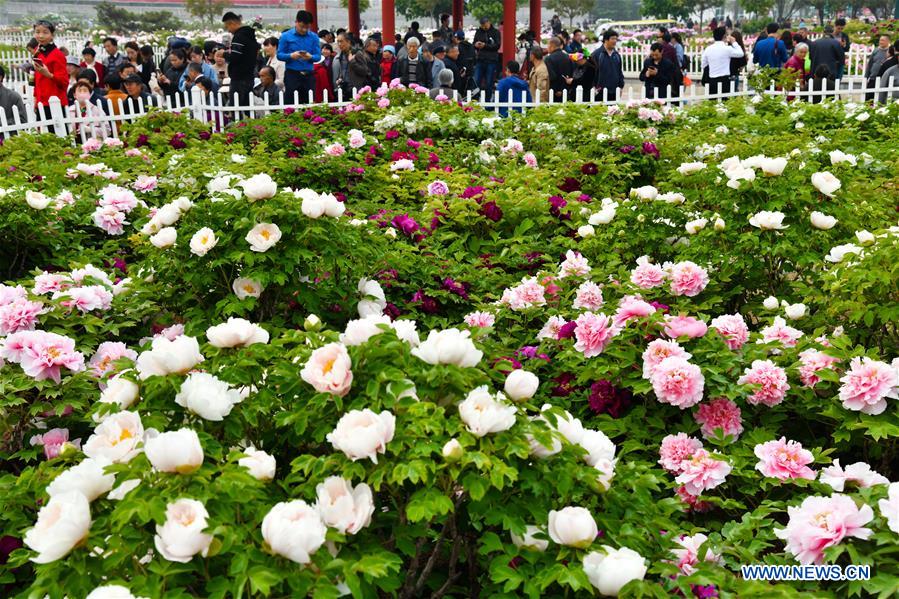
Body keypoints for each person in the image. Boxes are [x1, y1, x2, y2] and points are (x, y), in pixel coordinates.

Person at [278, 10, 321, 103]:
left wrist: (310, 57)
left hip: (309, 76)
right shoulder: (285, 36)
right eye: (302, 27)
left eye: (307, 27)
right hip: (292, 75)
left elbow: (318, 57)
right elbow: (279, 55)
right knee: (291, 103)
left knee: (309, 104)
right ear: (296, 22)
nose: (304, 30)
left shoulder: (314, 37)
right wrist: (290, 56)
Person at [222, 11, 260, 112]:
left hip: (239, 78)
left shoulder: (239, 36)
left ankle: (237, 126)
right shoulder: (250, 36)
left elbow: (235, 56)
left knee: (236, 109)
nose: (228, 30)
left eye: (227, 26)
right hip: (249, 77)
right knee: (247, 108)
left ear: (232, 23)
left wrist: (223, 54)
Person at [32, 19, 69, 118]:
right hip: (41, 100)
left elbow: (64, 82)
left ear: (52, 35)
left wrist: (49, 75)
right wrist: (36, 98)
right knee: (42, 132)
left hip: (55, 101)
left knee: (56, 132)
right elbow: (37, 78)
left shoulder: (58, 55)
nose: (41, 36)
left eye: (45, 32)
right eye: (37, 32)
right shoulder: (37, 51)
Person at [701, 27, 744, 96]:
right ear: (724, 36)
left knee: (713, 103)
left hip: (712, 80)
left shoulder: (708, 49)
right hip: (725, 80)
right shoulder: (727, 49)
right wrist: (734, 42)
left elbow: (703, 64)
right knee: (725, 103)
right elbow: (740, 53)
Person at [473, 17, 501, 100]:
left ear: (489, 22)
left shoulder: (495, 32)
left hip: (491, 60)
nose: (484, 27)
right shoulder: (478, 32)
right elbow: (474, 43)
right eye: (482, 25)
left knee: (489, 82)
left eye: (485, 24)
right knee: (476, 80)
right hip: (480, 59)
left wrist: (485, 45)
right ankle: (475, 99)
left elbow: (497, 45)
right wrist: (476, 45)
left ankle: (488, 100)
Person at [594, 29, 624, 101]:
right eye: (612, 39)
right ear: (606, 40)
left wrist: (620, 86)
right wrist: (594, 87)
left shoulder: (617, 55)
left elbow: (619, 72)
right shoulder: (597, 54)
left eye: (616, 39)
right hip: (600, 92)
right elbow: (592, 72)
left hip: (614, 91)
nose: (615, 41)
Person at [544, 37, 572, 101]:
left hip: (554, 93)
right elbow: (571, 73)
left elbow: (552, 76)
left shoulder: (549, 59)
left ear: (552, 46)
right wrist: (564, 89)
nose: (547, 48)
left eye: (548, 45)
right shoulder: (567, 57)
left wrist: (556, 90)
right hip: (566, 90)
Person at [864, 35, 891, 100]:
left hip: (883, 79)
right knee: (869, 97)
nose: (880, 42)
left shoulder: (890, 51)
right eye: (880, 40)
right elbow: (870, 64)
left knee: (880, 98)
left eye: (883, 40)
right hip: (873, 78)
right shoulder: (876, 50)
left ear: (888, 41)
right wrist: (866, 77)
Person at [332, 33, 353, 99]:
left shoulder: (358, 55)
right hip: (342, 90)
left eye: (341, 41)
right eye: (338, 42)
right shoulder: (337, 58)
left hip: (355, 89)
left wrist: (353, 62)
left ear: (348, 42)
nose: (339, 44)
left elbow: (363, 71)